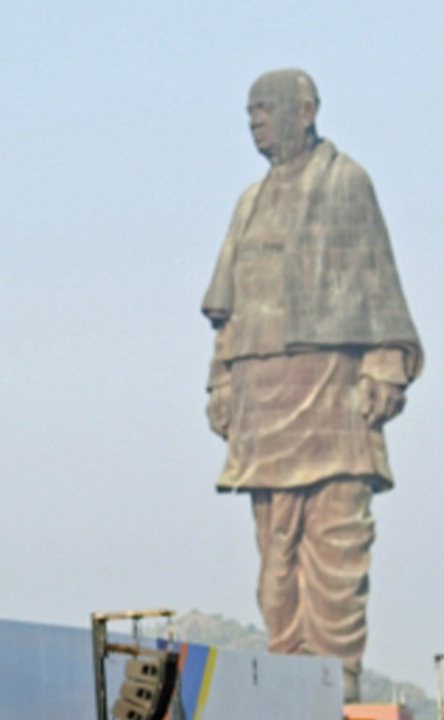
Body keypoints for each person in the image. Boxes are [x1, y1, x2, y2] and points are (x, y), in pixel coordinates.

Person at [201, 69, 422, 702]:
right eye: (249, 112)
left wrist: (383, 364)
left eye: (265, 108)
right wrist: (221, 384)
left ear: (305, 111)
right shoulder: (249, 202)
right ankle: (289, 679)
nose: (255, 121)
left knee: (336, 542)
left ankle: (336, 683)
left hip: (331, 390)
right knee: (276, 556)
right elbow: (226, 317)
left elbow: (378, 285)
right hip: (262, 399)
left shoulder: (345, 182)